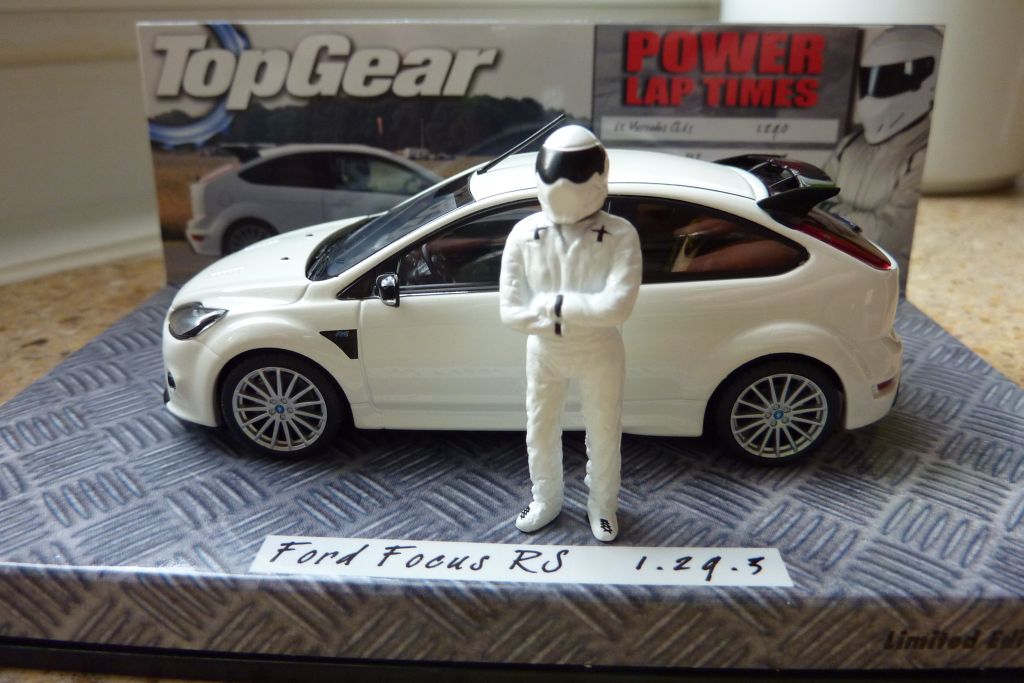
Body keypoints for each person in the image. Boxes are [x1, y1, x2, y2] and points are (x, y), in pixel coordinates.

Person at [498, 125, 642, 542]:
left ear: (599, 184)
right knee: (540, 426)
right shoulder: (524, 234)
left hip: (600, 350)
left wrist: (555, 307)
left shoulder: (620, 234)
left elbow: (619, 305)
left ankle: (603, 503)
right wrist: (568, 315)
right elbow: (510, 310)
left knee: (604, 428)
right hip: (545, 351)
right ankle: (546, 497)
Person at [823, 27, 942, 277]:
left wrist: (830, 215)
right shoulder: (851, 145)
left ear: (929, 79)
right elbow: (809, 205)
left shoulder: (924, 154)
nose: (874, 93)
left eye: (890, 80)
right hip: (836, 271)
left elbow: (887, 235)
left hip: (891, 281)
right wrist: (853, 221)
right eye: (871, 79)